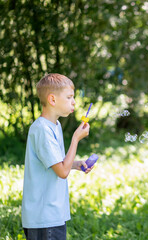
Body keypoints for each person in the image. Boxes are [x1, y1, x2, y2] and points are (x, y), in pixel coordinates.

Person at [22, 73, 93, 240]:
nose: (74, 102)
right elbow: (62, 172)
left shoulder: (55, 125)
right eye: (69, 97)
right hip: (44, 217)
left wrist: (75, 164)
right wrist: (76, 139)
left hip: (53, 213)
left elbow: (57, 163)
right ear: (52, 100)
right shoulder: (42, 130)